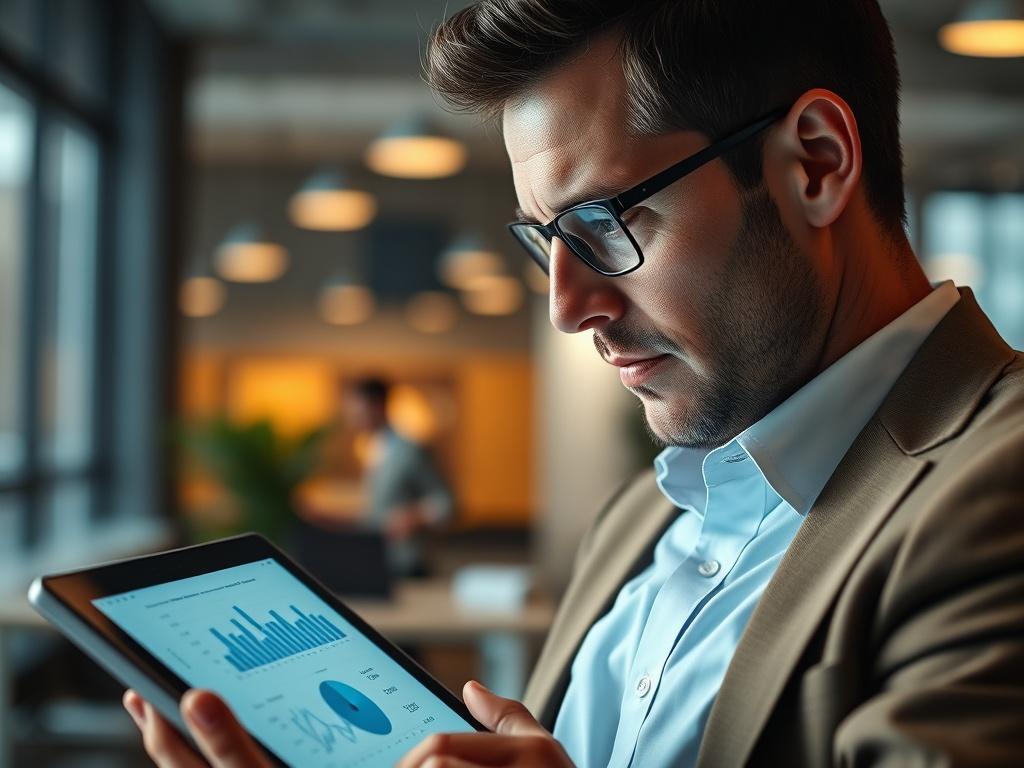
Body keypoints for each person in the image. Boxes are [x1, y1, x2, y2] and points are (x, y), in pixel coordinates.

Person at [124, 1, 1024, 766]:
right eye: (544, 238)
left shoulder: (995, 490)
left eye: (603, 221)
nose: (568, 305)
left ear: (815, 164)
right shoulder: (640, 517)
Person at [341, 377, 453, 576]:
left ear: (377, 407)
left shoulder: (410, 450)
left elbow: (447, 503)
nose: (354, 420)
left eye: (358, 413)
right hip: (376, 559)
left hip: (407, 563)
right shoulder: (370, 449)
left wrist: (414, 517)